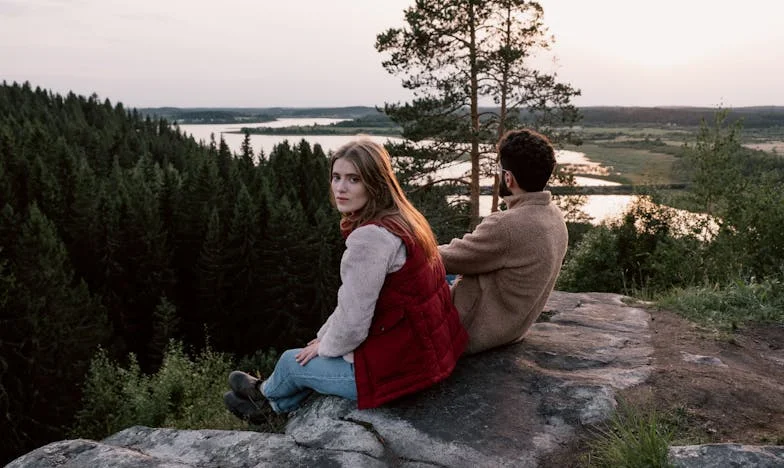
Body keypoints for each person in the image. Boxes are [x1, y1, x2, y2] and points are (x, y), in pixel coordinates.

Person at [225, 139, 467, 420]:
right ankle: (273, 403)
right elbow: (357, 306)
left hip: (398, 372)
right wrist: (322, 339)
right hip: (426, 355)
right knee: (313, 351)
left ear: (374, 184)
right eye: (336, 177)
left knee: (291, 362)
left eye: (354, 179)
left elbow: (353, 325)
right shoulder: (406, 219)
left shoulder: (370, 238)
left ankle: (265, 399)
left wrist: (324, 347)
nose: (340, 188)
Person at [439, 128, 568, 355]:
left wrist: (401, 245)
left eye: (499, 170)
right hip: (512, 328)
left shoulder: (508, 226)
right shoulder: (554, 215)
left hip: (470, 331)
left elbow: (442, 258)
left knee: (407, 268)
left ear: (508, 178)